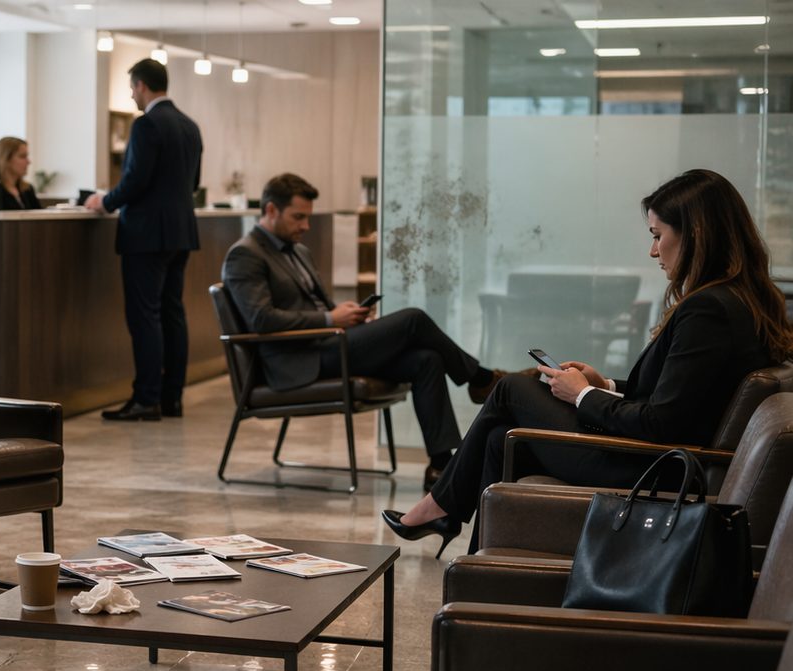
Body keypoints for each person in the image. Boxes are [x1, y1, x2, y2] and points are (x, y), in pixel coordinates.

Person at [383, 168, 793, 556]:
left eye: (658, 235)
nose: (653, 251)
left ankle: (440, 507)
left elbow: (661, 423)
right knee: (500, 437)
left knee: (512, 388)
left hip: (653, 467)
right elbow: (687, 394)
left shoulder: (708, 310)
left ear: (697, 234)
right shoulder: (744, 300)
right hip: (667, 458)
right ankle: (479, 557)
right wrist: (605, 385)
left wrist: (583, 397)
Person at [222, 173, 512, 490]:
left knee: (426, 359)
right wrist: (331, 320)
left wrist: (349, 316)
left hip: (329, 345)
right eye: (298, 217)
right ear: (271, 210)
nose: (306, 225)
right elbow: (260, 320)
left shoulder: (298, 251)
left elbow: (317, 306)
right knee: (413, 319)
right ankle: (482, 379)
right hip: (298, 358)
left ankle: (441, 467)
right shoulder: (245, 254)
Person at [84, 58, 202, 421]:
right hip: (181, 233)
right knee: (172, 314)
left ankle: (146, 398)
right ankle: (172, 398)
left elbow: (135, 180)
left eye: (132, 88)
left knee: (145, 317)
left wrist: (104, 201)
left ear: (141, 86)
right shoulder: (189, 126)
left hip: (147, 236)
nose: (132, 95)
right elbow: (193, 183)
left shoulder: (147, 124)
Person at [0, 137, 42, 210]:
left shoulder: (27, 189)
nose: (28, 162)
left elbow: (39, 216)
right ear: (5, 159)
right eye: (22, 156)